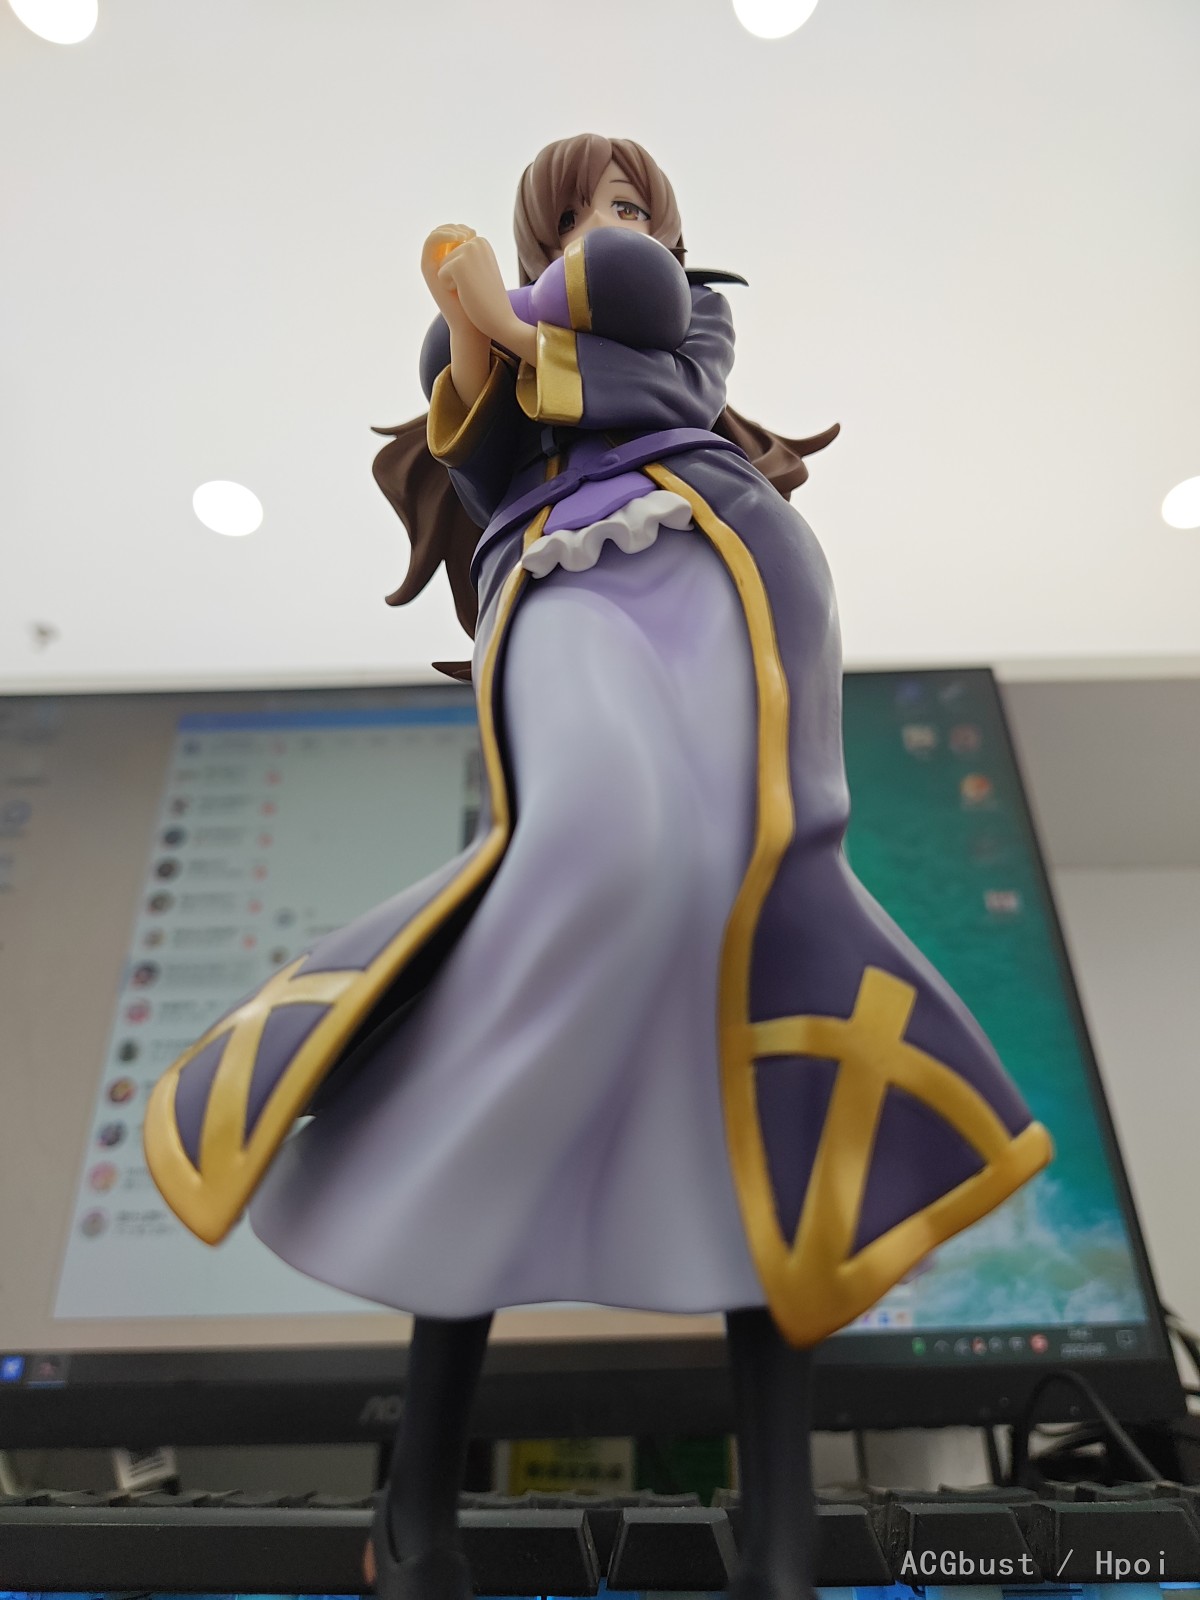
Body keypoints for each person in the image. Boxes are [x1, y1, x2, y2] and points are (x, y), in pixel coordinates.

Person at [143, 134, 1052, 1600]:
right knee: (598, 846)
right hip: (566, 580)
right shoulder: (512, 362)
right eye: (568, 215)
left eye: (625, 207)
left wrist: (505, 311)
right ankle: (417, 1498)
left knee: (747, 952)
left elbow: (651, 352)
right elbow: (477, 444)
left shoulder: (691, 313)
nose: (603, 229)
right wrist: (480, 333)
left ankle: (771, 1547)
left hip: (723, 576)